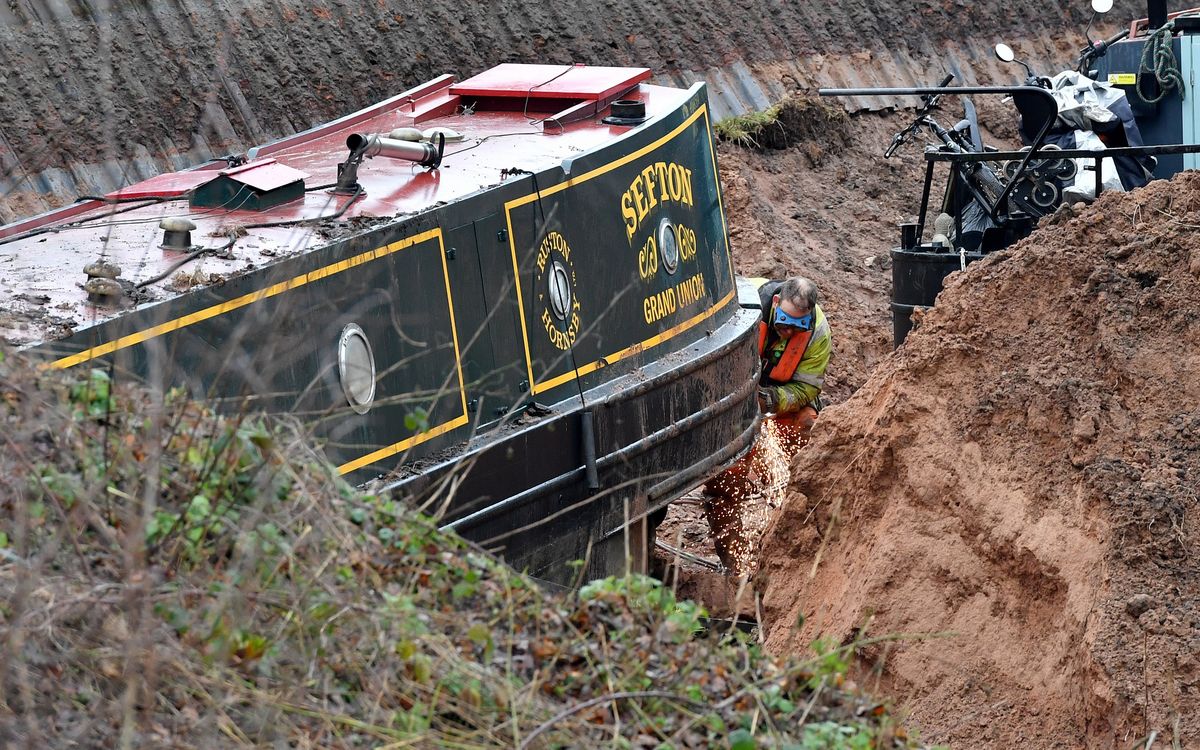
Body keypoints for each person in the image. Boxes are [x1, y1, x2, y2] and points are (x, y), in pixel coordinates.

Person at [702, 276, 832, 573]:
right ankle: (735, 564)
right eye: (784, 321)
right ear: (775, 304)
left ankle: (797, 537)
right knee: (727, 470)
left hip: (778, 401)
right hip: (733, 400)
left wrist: (771, 400)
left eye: (796, 327)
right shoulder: (741, 306)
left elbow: (808, 388)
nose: (787, 332)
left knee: (809, 430)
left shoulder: (818, 334)